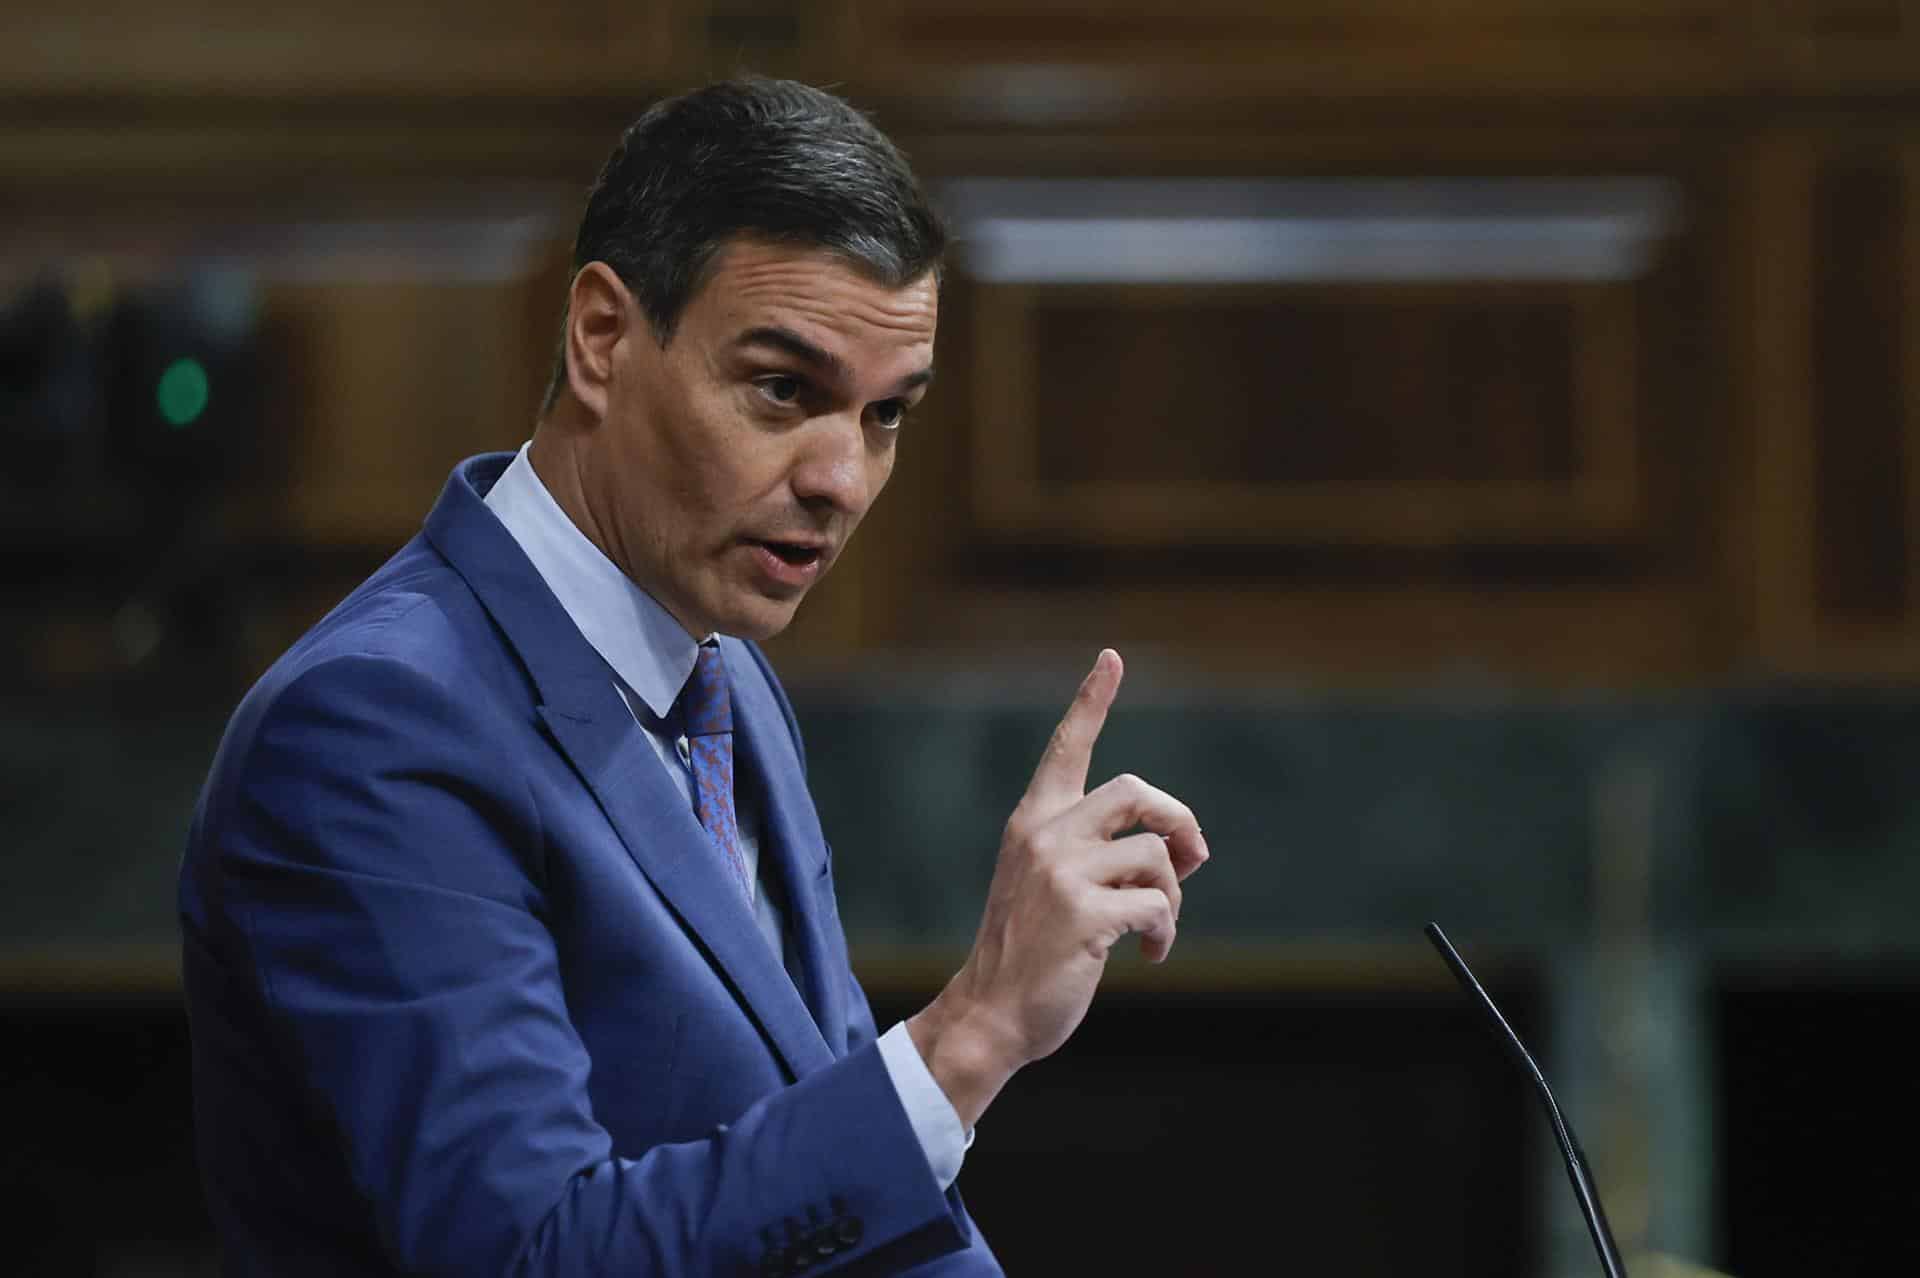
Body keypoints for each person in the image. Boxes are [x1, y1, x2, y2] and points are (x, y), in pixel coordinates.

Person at [178, 76, 1209, 1277]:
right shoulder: (373, 724)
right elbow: (533, 1256)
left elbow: (809, 1197)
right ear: (603, 338)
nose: (842, 478)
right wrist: (969, 1035)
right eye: (784, 390)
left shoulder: (725, 680)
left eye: (885, 417)